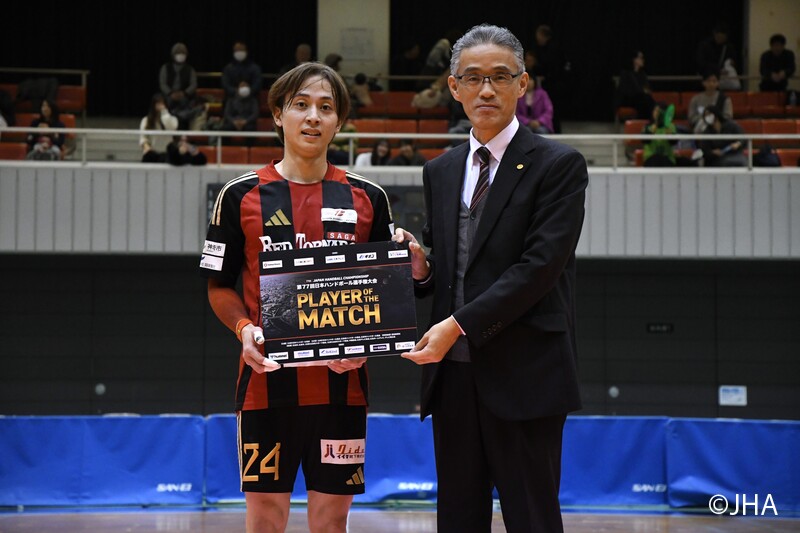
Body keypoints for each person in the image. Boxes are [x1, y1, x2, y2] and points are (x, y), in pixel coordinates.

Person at [392, 24, 587, 533]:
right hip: (452, 378)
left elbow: (539, 269)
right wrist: (422, 269)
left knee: (532, 519)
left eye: (500, 77)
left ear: (523, 84)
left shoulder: (559, 165)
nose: (486, 89)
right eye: (473, 78)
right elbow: (452, 267)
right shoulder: (440, 170)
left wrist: (456, 325)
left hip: (527, 375)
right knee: (457, 519)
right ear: (453, 87)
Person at [199, 62, 393, 533]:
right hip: (264, 390)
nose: (313, 117)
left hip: (343, 392)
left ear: (339, 122)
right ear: (277, 115)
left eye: (326, 107)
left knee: (332, 522)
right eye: (301, 105)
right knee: (266, 518)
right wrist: (244, 329)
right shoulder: (238, 195)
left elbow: (384, 297)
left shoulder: (369, 198)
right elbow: (218, 286)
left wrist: (364, 345)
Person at [529, 24, 570, 132]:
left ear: (543, 36)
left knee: (553, 108)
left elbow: (555, 67)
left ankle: (554, 130)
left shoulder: (553, 49)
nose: (537, 38)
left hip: (554, 84)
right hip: (549, 83)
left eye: (538, 36)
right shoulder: (543, 49)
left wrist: (546, 77)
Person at [159, 42, 202, 130]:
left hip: (184, 96)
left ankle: (183, 126)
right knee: (167, 102)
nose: (181, 56)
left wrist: (184, 93)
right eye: (178, 53)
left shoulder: (190, 69)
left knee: (185, 104)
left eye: (183, 54)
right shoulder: (165, 68)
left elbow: (193, 84)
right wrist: (170, 93)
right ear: (173, 55)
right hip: (169, 96)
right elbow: (162, 83)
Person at [615, 50, 656, 119]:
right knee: (644, 100)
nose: (643, 60)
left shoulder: (642, 74)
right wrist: (641, 92)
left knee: (646, 100)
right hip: (629, 99)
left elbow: (647, 88)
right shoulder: (625, 73)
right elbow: (625, 91)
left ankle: (654, 116)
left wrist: (644, 91)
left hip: (640, 98)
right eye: (641, 58)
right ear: (634, 60)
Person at [140, 93, 179, 162]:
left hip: (167, 154)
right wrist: (147, 148)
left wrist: (164, 112)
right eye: (158, 103)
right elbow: (143, 138)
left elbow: (172, 127)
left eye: (162, 103)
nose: (160, 106)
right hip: (153, 153)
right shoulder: (146, 120)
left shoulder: (173, 119)